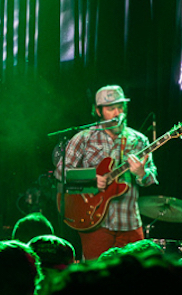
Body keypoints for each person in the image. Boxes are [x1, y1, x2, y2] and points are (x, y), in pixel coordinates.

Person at [58, 85, 159, 260]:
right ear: (98, 111)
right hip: (94, 220)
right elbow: (61, 172)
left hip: (129, 221)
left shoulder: (138, 140)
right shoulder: (84, 137)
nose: (117, 113)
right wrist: (91, 178)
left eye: (120, 107)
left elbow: (152, 177)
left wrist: (141, 173)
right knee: (97, 272)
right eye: (111, 108)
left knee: (137, 271)